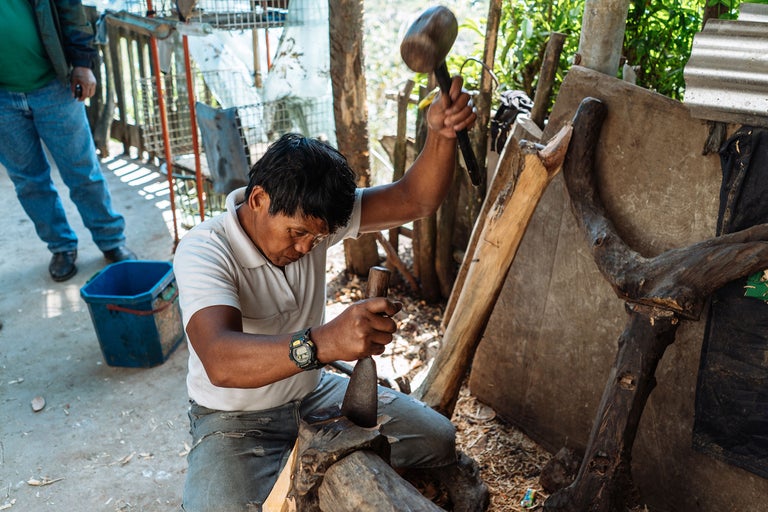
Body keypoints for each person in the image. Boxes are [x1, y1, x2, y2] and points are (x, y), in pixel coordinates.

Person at [173, 76, 489, 512]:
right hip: (234, 421)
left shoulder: (315, 216)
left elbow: (414, 199)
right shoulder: (204, 250)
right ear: (259, 198)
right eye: (298, 234)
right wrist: (324, 342)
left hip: (312, 396)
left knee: (437, 438)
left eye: (318, 239)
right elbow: (220, 359)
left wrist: (440, 134)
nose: (306, 248)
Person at [0, 0, 136, 283]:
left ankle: (110, 240)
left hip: (54, 84)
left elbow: (70, 11)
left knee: (82, 171)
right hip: (2, 99)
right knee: (28, 180)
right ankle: (61, 246)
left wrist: (83, 63)